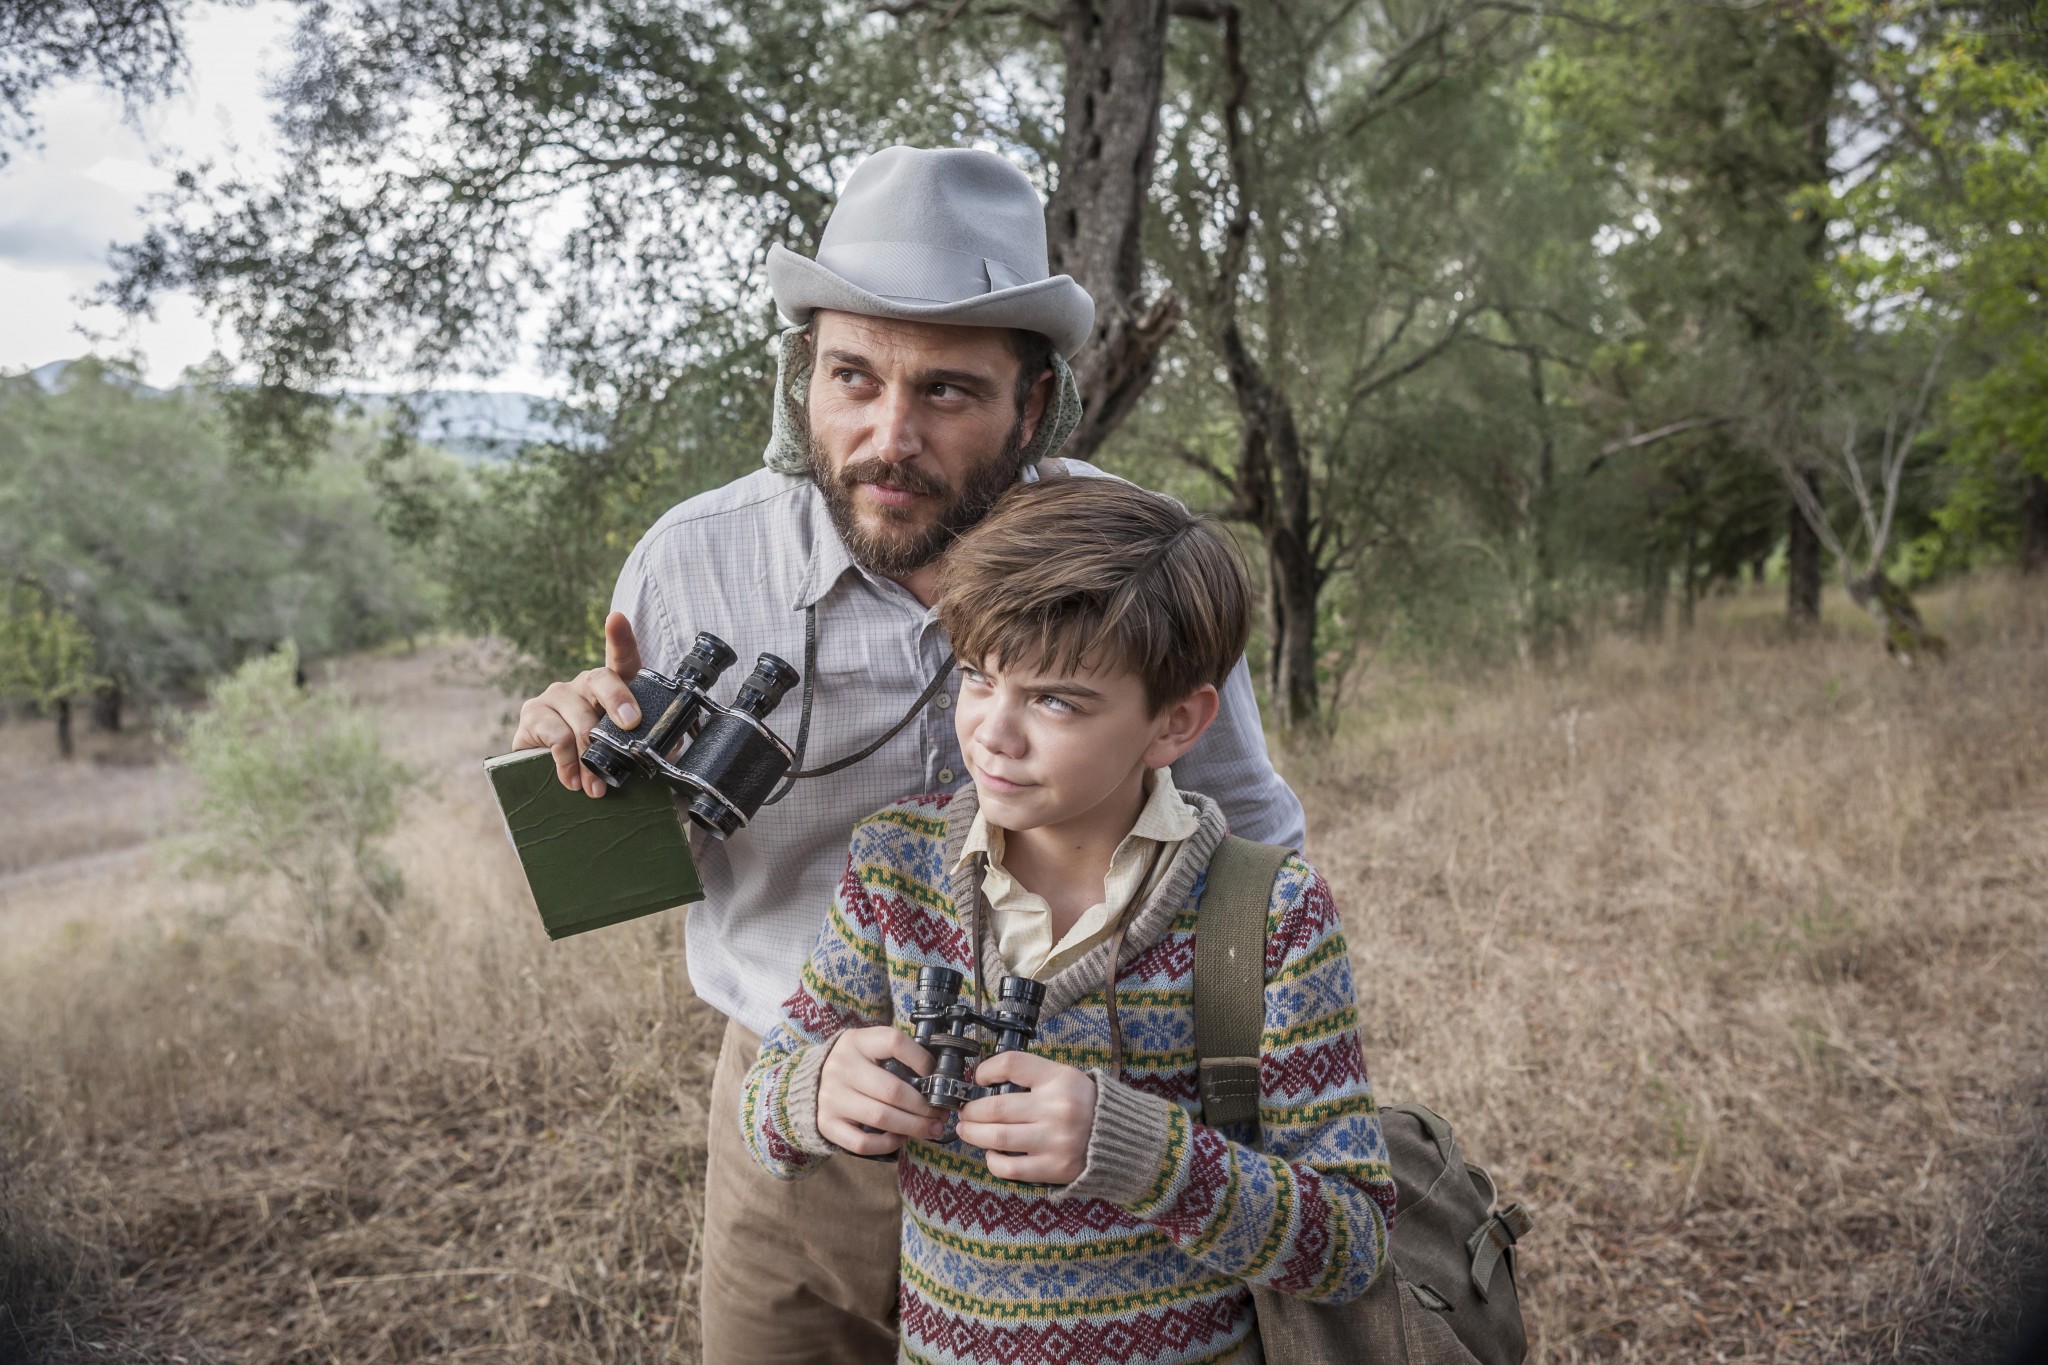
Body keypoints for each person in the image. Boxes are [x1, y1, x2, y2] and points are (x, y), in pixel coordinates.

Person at [508, 145, 1306, 1363]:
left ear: (1031, 406)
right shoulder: (691, 563)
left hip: (1077, 1131)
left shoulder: (1129, 560)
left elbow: (1250, 839)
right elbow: (621, 876)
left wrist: (1203, 1106)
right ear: (799, 383)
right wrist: (577, 773)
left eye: (946, 391)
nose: (889, 436)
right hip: (796, 1117)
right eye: (850, 378)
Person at [740, 477, 1395, 1363]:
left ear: (1176, 722)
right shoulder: (895, 867)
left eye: (1054, 700)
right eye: (978, 677)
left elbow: (1351, 1240)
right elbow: (765, 1102)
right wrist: (813, 1092)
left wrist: (1137, 1150)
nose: (993, 735)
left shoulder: (1267, 914)